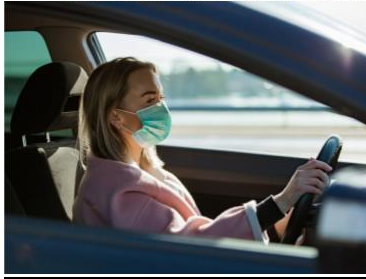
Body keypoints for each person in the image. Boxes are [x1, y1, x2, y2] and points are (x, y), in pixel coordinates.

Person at [72, 57, 332, 244]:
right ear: (116, 117)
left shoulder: (143, 171)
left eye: (161, 98)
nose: (161, 109)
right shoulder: (118, 191)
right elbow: (190, 245)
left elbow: (193, 232)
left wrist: (279, 223)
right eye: (150, 100)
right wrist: (283, 200)